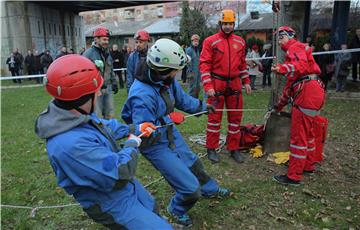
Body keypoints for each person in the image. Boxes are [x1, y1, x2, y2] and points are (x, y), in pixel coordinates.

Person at [35, 54, 171, 229]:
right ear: (80, 98)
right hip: (110, 201)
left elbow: (106, 126)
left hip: (125, 188)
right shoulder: (69, 145)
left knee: (151, 207)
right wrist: (132, 143)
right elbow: (121, 171)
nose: (99, 93)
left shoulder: (76, 115)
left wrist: (135, 128)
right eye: (95, 91)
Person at [122, 38, 230, 227]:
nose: (178, 72)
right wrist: (168, 119)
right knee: (190, 189)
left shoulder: (166, 80)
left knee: (194, 164)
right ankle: (177, 209)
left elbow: (181, 100)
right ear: (163, 70)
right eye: (176, 69)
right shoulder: (142, 95)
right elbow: (144, 132)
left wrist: (202, 107)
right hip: (155, 145)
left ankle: (209, 189)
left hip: (169, 132)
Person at [271, 26, 325, 186]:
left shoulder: (295, 48)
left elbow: (299, 66)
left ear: (290, 36)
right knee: (308, 134)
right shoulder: (292, 56)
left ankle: (293, 176)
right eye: (278, 37)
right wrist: (278, 107)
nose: (279, 40)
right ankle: (307, 165)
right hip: (314, 91)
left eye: (282, 36)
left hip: (307, 93)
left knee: (298, 137)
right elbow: (288, 89)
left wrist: (280, 68)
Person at [199, 9, 251, 164]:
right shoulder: (210, 41)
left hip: (235, 84)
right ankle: (211, 148)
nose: (227, 26)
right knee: (214, 119)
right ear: (220, 23)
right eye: (225, 23)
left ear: (234, 24)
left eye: (230, 23)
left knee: (235, 119)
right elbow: (204, 64)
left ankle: (233, 148)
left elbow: (242, 64)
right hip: (216, 84)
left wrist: (246, 81)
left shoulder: (240, 42)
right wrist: (208, 86)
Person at [83, 26, 118, 119]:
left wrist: (114, 82)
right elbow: (84, 73)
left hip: (108, 88)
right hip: (95, 90)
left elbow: (110, 69)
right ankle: (99, 133)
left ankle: (109, 133)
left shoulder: (107, 53)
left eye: (107, 40)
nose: (106, 42)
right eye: (104, 39)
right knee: (97, 116)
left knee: (110, 114)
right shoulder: (88, 54)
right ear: (96, 39)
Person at [186, 34, 202, 98]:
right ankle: (189, 101)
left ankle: (195, 101)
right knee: (192, 87)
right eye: (194, 41)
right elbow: (187, 62)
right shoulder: (189, 50)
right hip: (191, 72)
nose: (196, 42)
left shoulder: (197, 50)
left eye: (197, 41)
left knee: (197, 87)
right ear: (192, 41)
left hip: (198, 72)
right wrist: (191, 71)